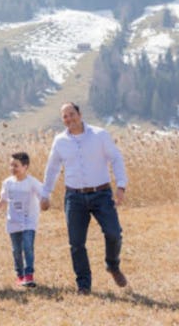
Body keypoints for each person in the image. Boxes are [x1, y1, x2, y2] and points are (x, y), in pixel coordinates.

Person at [42, 103, 129, 295]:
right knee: (76, 243)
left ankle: (112, 265)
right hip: (74, 197)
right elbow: (53, 168)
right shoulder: (60, 141)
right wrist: (45, 193)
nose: (69, 119)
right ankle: (84, 285)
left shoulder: (100, 135)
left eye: (71, 114)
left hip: (102, 194)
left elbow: (115, 157)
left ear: (80, 114)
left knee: (114, 233)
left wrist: (121, 185)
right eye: (64, 116)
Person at [0, 152, 43, 288]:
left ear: (25, 166)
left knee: (27, 246)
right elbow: (4, 199)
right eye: (11, 165)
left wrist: (45, 202)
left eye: (16, 165)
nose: (12, 168)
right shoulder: (7, 183)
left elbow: (43, 195)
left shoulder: (32, 182)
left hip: (29, 221)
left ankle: (29, 275)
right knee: (16, 250)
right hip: (13, 221)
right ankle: (20, 275)